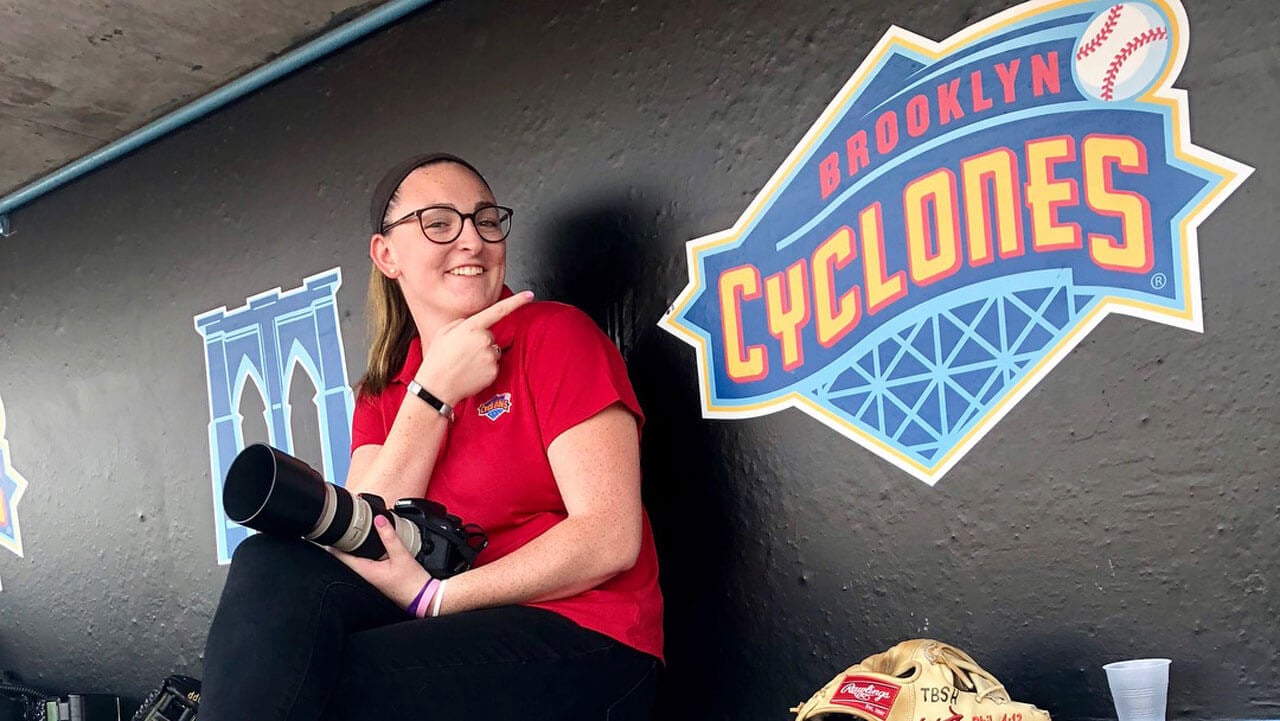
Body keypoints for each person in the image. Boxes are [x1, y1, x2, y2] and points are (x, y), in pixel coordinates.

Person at [200, 153, 663, 720]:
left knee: (321, 686)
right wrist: (431, 392)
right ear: (386, 255)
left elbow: (609, 538)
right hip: (449, 627)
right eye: (439, 223)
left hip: (586, 638)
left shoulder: (554, 336)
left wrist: (437, 598)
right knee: (270, 565)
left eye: (486, 220)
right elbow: (359, 540)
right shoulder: (386, 391)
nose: (472, 240)